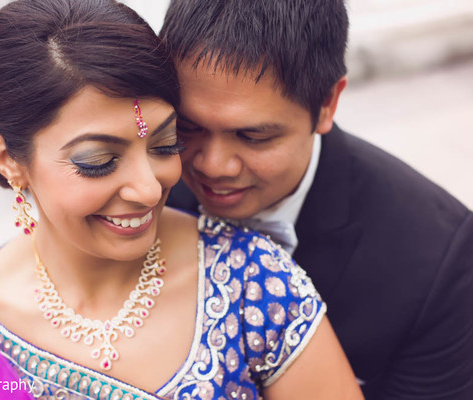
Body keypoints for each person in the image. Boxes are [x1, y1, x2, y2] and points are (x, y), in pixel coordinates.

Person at [0, 0, 364, 399]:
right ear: (7, 158)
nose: (149, 188)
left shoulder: (252, 282)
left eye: (165, 144)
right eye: (98, 161)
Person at [160, 0, 473, 399]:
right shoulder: (140, 195)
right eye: (187, 127)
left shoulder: (438, 259)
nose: (213, 165)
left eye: (254, 137)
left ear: (327, 104)